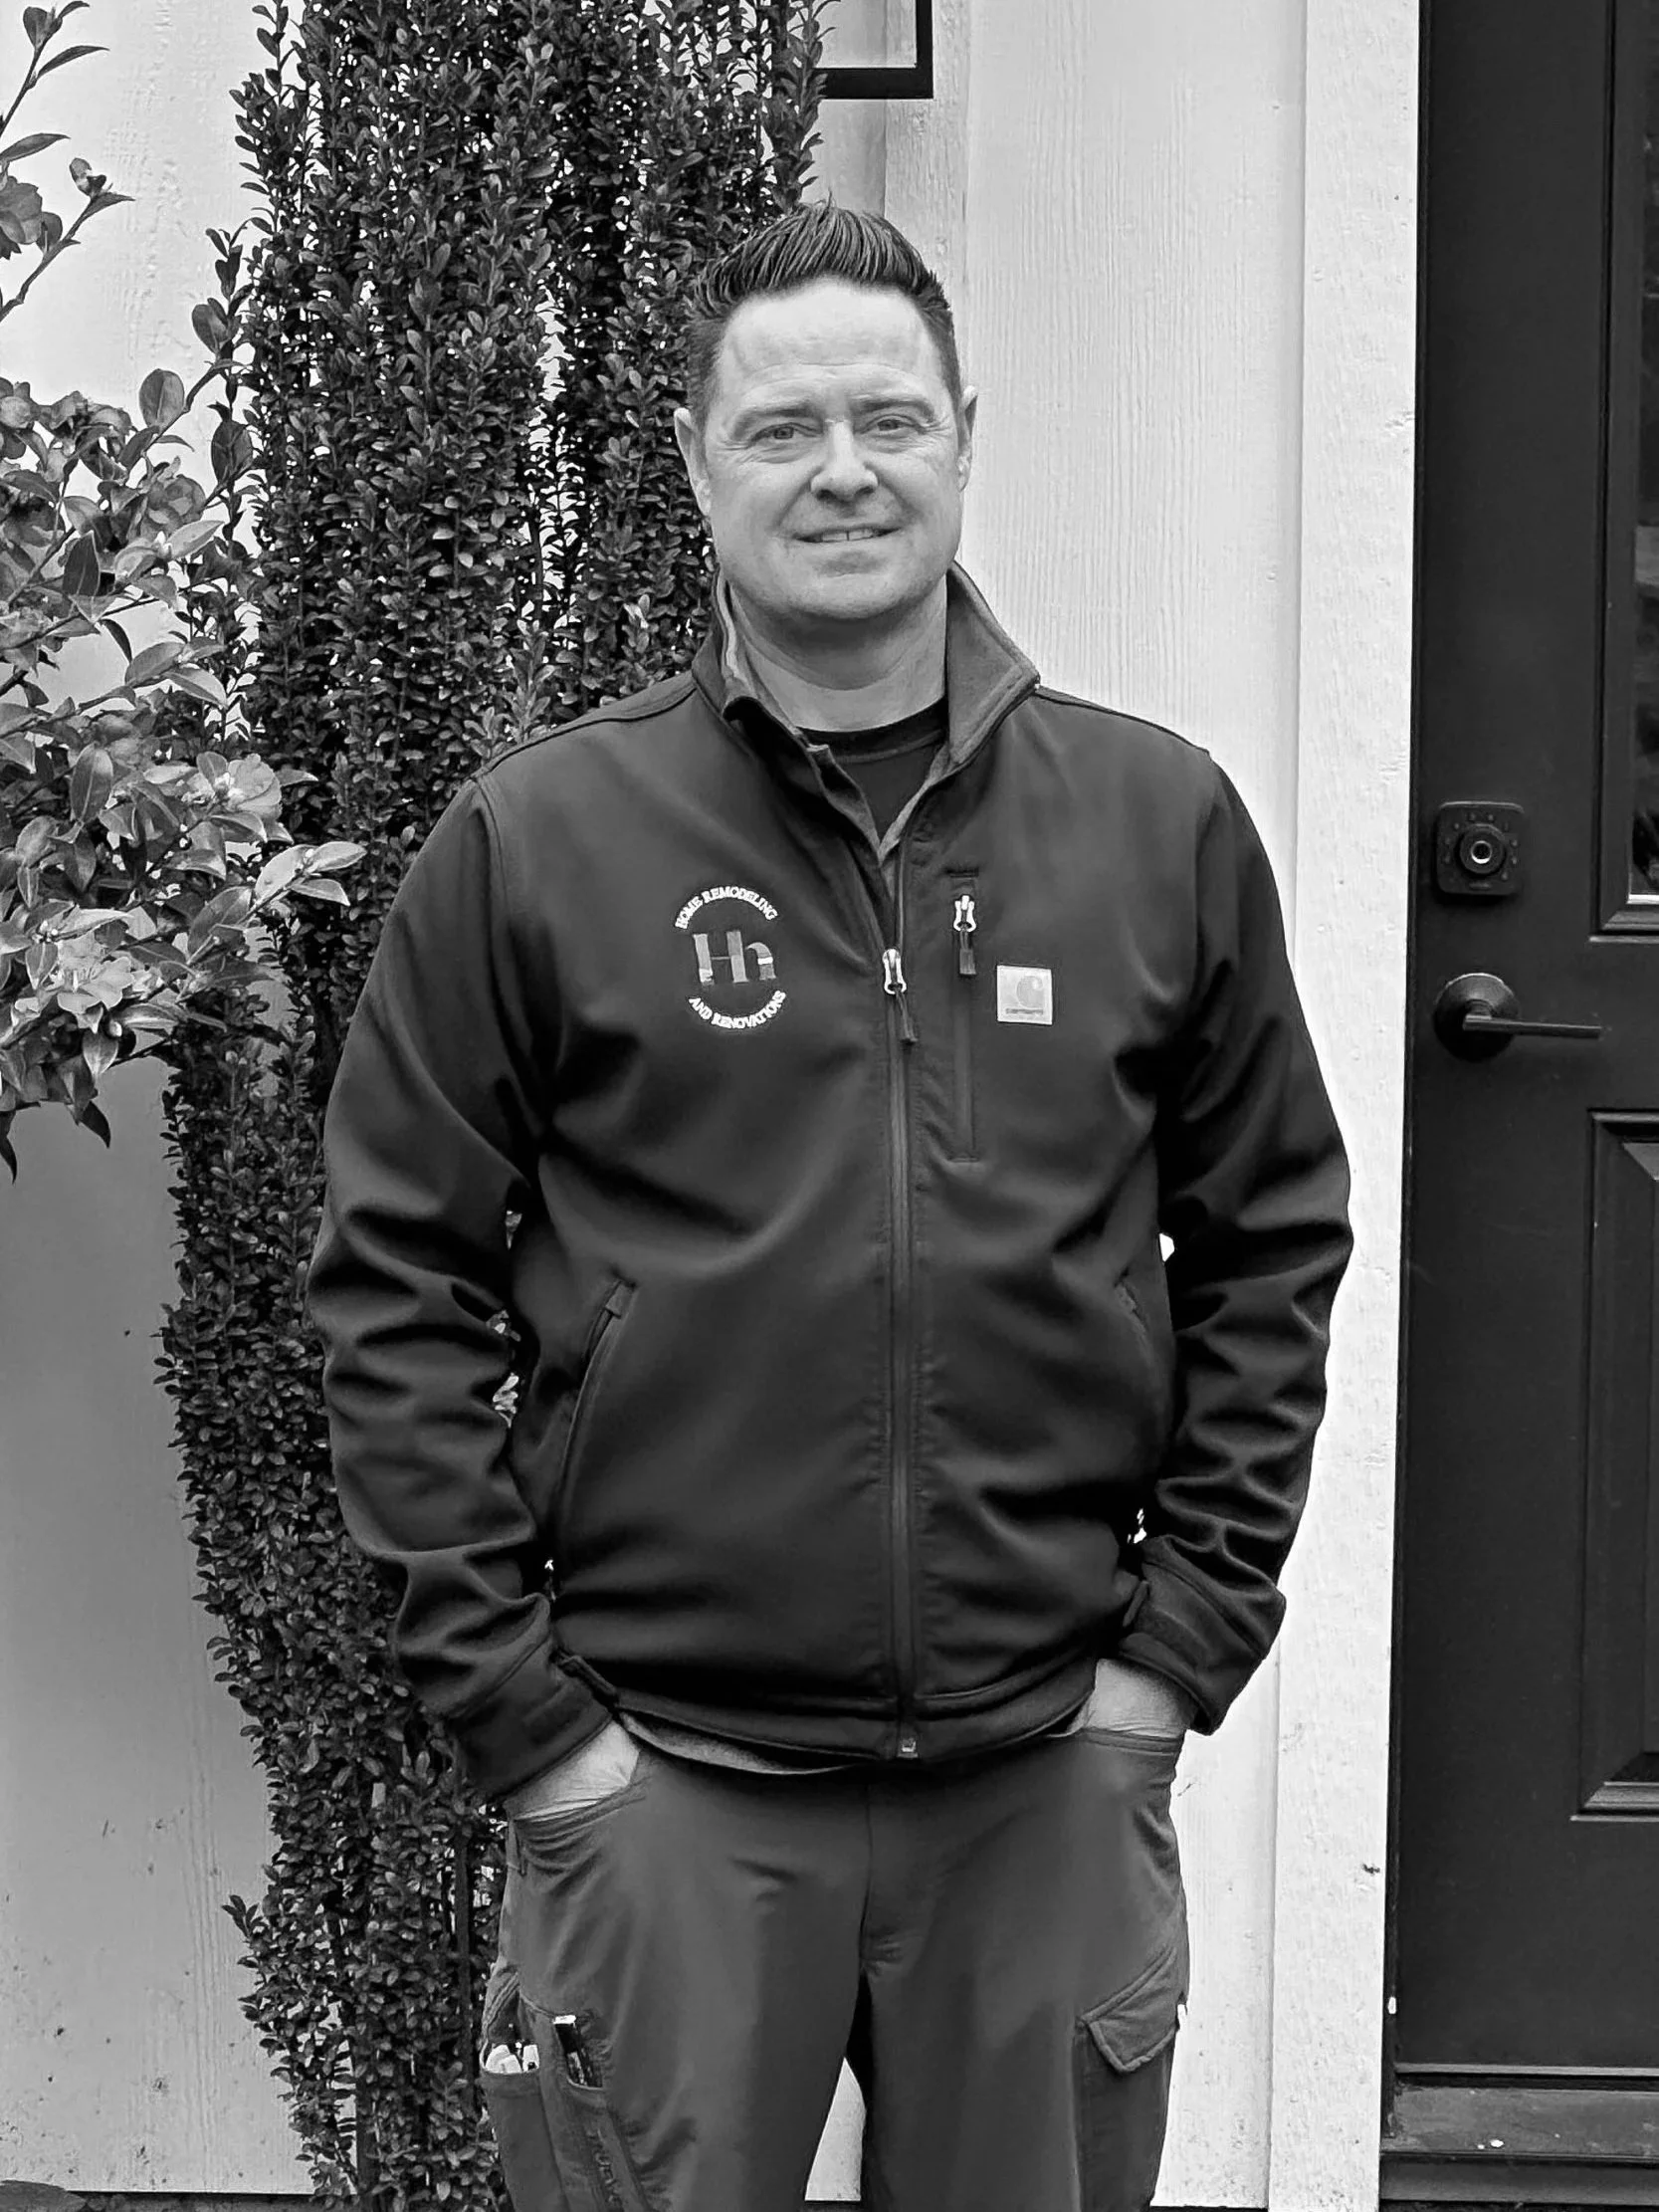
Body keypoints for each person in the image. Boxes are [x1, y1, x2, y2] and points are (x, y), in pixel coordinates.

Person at [306, 202, 1352, 2212]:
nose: (843, 468)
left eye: (887, 416)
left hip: (1042, 1769)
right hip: (663, 1785)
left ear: (962, 438)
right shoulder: (539, 842)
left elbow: (1267, 1241)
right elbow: (392, 1282)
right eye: (781, 429)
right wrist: (531, 1730)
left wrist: (1178, 1650)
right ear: (696, 465)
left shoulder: (1155, 826)